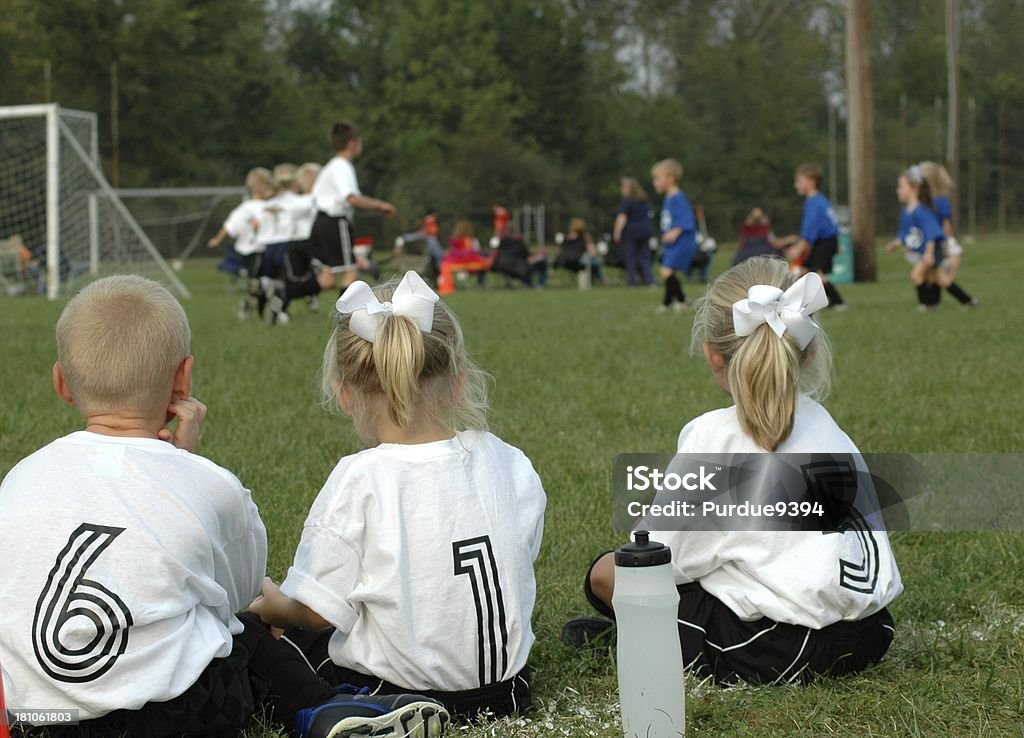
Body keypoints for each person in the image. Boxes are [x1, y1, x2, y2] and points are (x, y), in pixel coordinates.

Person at [0, 275, 449, 738]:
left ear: (61, 383)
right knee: (243, 629)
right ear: (183, 377)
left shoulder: (19, 479)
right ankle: (319, 709)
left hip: (35, 719)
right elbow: (236, 595)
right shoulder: (210, 484)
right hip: (165, 718)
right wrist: (184, 462)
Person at [572, 258, 902, 684]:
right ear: (810, 349)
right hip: (873, 631)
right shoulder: (825, 425)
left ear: (712, 355)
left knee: (607, 574)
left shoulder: (715, 437)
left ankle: (644, 639)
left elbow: (658, 561)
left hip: (789, 647)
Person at [249, 271, 546, 721]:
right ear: (458, 380)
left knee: (250, 638)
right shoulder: (509, 460)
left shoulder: (361, 478)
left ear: (344, 393)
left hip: (392, 691)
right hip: (507, 692)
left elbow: (315, 612)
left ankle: (322, 710)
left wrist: (271, 604)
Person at [302, 122, 396, 294]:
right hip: (334, 222)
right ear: (352, 143)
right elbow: (351, 198)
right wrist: (380, 205)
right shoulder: (342, 166)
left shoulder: (330, 166)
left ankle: (284, 293)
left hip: (320, 222)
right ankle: (344, 318)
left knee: (327, 279)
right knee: (351, 272)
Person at [207, 167, 275, 319]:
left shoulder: (271, 206)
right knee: (258, 282)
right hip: (252, 251)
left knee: (265, 283)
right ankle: (252, 308)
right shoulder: (247, 208)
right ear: (261, 187)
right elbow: (230, 226)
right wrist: (217, 239)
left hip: (267, 250)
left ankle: (259, 310)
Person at [785, 163, 847, 310]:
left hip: (825, 242)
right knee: (804, 271)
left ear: (811, 182)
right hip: (827, 241)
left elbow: (810, 230)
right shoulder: (819, 200)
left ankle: (839, 301)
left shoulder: (814, 203)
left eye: (799, 181)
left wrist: (799, 248)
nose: (796, 185)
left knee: (817, 274)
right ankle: (819, 302)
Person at [884, 165, 945, 311]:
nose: (898, 190)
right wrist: (895, 243)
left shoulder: (922, 211)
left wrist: (929, 253)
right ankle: (935, 305)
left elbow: (932, 233)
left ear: (914, 188)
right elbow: (905, 233)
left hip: (930, 251)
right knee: (930, 278)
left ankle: (925, 304)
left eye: (901, 186)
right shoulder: (906, 212)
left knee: (916, 275)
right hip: (922, 252)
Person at [918, 161, 978, 308]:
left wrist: (945, 243)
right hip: (934, 243)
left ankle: (967, 301)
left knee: (939, 277)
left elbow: (947, 225)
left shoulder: (940, 202)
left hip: (942, 243)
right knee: (932, 275)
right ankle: (934, 303)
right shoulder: (927, 202)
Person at [651, 159, 697, 312]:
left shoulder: (678, 198)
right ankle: (675, 302)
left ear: (670, 179)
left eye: (657, 179)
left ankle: (675, 302)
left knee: (666, 270)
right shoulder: (668, 199)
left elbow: (686, 219)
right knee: (667, 271)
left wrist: (675, 232)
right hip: (672, 243)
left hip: (681, 241)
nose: (655, 183)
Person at [612, 177, 655, 286]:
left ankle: (632, 281)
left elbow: (622, 217)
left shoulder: (627, 202)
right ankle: (649, 280)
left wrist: (617, 232)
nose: (622, 190)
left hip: (631, 232)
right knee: (645, 257)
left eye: (624, 187)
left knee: (631, 257)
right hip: (645, 230)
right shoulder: (643, 201)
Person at [554, 217, 603, 287]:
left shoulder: (565, 238)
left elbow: (559, 251)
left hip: (565, 263)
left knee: (592, 261)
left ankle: (599, 278)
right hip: (579, 262)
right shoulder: (584, 238)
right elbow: (593, 252)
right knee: (594, 260)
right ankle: (601, 279)